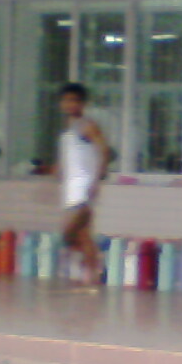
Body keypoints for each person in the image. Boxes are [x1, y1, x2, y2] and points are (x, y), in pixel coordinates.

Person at [57, 83, 111, 287]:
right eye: (66, 100)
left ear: (82, 104)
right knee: (83, 235)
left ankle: (94, 267)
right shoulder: (67, 129)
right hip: (70, 188)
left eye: (75, 101)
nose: (70, 105)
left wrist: (97, 179)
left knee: (68, 233)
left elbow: (104, 150)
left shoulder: (87, 126)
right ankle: (91, 275)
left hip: (83, 187)